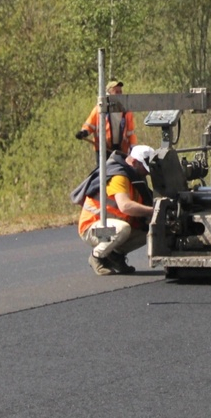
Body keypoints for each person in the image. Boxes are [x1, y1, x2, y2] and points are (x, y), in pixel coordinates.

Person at [78, 143, 156, 275]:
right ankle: (97, 257)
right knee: (122, 229)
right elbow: (125, 206)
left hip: (113, 227)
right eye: (145, 167)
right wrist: (153, 211)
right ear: (135, 162)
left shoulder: (135, 177)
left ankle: (114, 256)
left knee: (151, 229)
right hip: (93, 229)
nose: (147, 172)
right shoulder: (118, 176)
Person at [75, 79, 137, 158]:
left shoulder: (127, 112)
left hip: (120, 150)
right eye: (116, 92)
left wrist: (133, 147)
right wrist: (83, 132)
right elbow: (89, 125)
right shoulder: (99, 110)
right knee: (103, 170)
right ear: (109, 93)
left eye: (120, 92)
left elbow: (131, 133)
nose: (119, 94)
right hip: (103, 149)